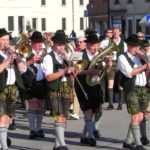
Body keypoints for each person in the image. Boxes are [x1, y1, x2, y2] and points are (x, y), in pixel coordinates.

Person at [42, 30, 74, 150]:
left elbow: (73, 74)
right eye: (59, 45)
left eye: (63, 45)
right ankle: (63, 144)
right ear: (54, 44)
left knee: (64, 116)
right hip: (55, 88)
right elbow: (49, 77)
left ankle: (56, 145)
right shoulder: (48, 58)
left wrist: (69, 63)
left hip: (66, 87)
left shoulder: (65, 57)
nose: (61, 47)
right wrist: (64, 71)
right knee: (58, 115)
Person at [118, 34, 150, 150]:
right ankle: (138, 144)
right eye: (135, 47)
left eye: (138, 46)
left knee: (141, 116)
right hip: (132, 89)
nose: (137, 49)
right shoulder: (122, 57)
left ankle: (127, 141)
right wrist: (145, 65)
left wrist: (146, 60)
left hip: (143, 88)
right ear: (129, 46)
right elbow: (130, 72)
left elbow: (147, 71)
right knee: (135, 116)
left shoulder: (140, 57)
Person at [74, 30, 105, 146]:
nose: (95, 48)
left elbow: (101, 71)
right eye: (93, 45)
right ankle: (91, 137)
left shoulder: (98, 55)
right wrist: (89, 71)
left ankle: (83, 136)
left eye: (97, 45)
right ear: (87, 45)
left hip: (95, 86)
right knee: (88, 111)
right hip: (82, 86)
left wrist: (108, 67)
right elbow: (75, 72)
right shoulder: (79, 54)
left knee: (93, 113)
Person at [0, 28, 25, 150]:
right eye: (3, 40)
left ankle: (2, 142)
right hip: (1, 88)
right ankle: (4, 146)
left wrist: (17, 57)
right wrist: (8, 60)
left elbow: (23, 69)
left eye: (7, 40)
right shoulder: (3, 56)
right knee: (2, 117)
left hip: (12, 88)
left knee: (8, 118)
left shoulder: (10, 53)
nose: (6, 42)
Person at [21, 31, 47, 139]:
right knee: (32, 107)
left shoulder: (45, 52)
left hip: (41, 82)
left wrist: (44, 58)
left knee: (40, 107)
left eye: (40, 43)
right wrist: (31, 61)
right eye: (37, 43)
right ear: (32, 43)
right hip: (30, 82)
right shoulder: (25, 52)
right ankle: (32, 130)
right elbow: (21, 68)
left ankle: (39, 128)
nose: (39, 45)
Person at [107, 26, 128, 110]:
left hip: (120, 64)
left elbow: (126, 55)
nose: (115, 33)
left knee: (120, 85)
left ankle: (120, 104)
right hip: (112, 63)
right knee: (110, 84)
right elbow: (107, 52)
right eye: (113, 32)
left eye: (116, 32)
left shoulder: (124, 43)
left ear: (120, 33)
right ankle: (110, 104)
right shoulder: (110, 42)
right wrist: (109, 59)